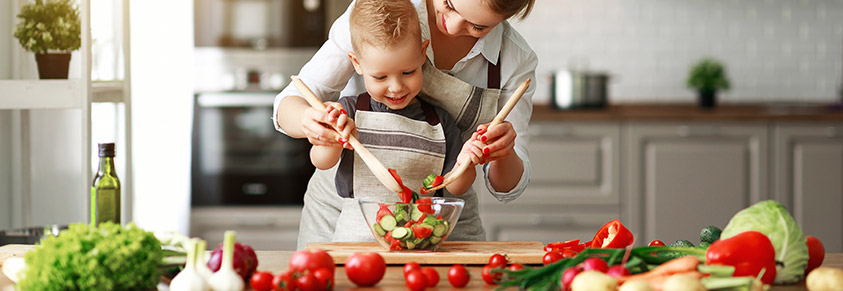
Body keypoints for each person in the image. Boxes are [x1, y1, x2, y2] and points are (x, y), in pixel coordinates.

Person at [274, 0, 537, 249]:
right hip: (344, 212)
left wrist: (503, 150)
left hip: (442, 221)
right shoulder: (381, 12)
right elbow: (290, 103)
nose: (453, 27)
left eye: (478, 27)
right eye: (448, 4)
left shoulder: (515, 58)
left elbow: (507, 187)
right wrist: (312, 122)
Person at [307, 0, 485, 243]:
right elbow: (321, 161)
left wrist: (466, 163)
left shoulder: (440, 121)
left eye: (408, 72)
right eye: (380, 77)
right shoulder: (348, 111)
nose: (396, 87)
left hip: (420, 240)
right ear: (357, 64)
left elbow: (457, 187)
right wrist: (333, 138)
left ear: (423, 54)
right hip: (355, 244)